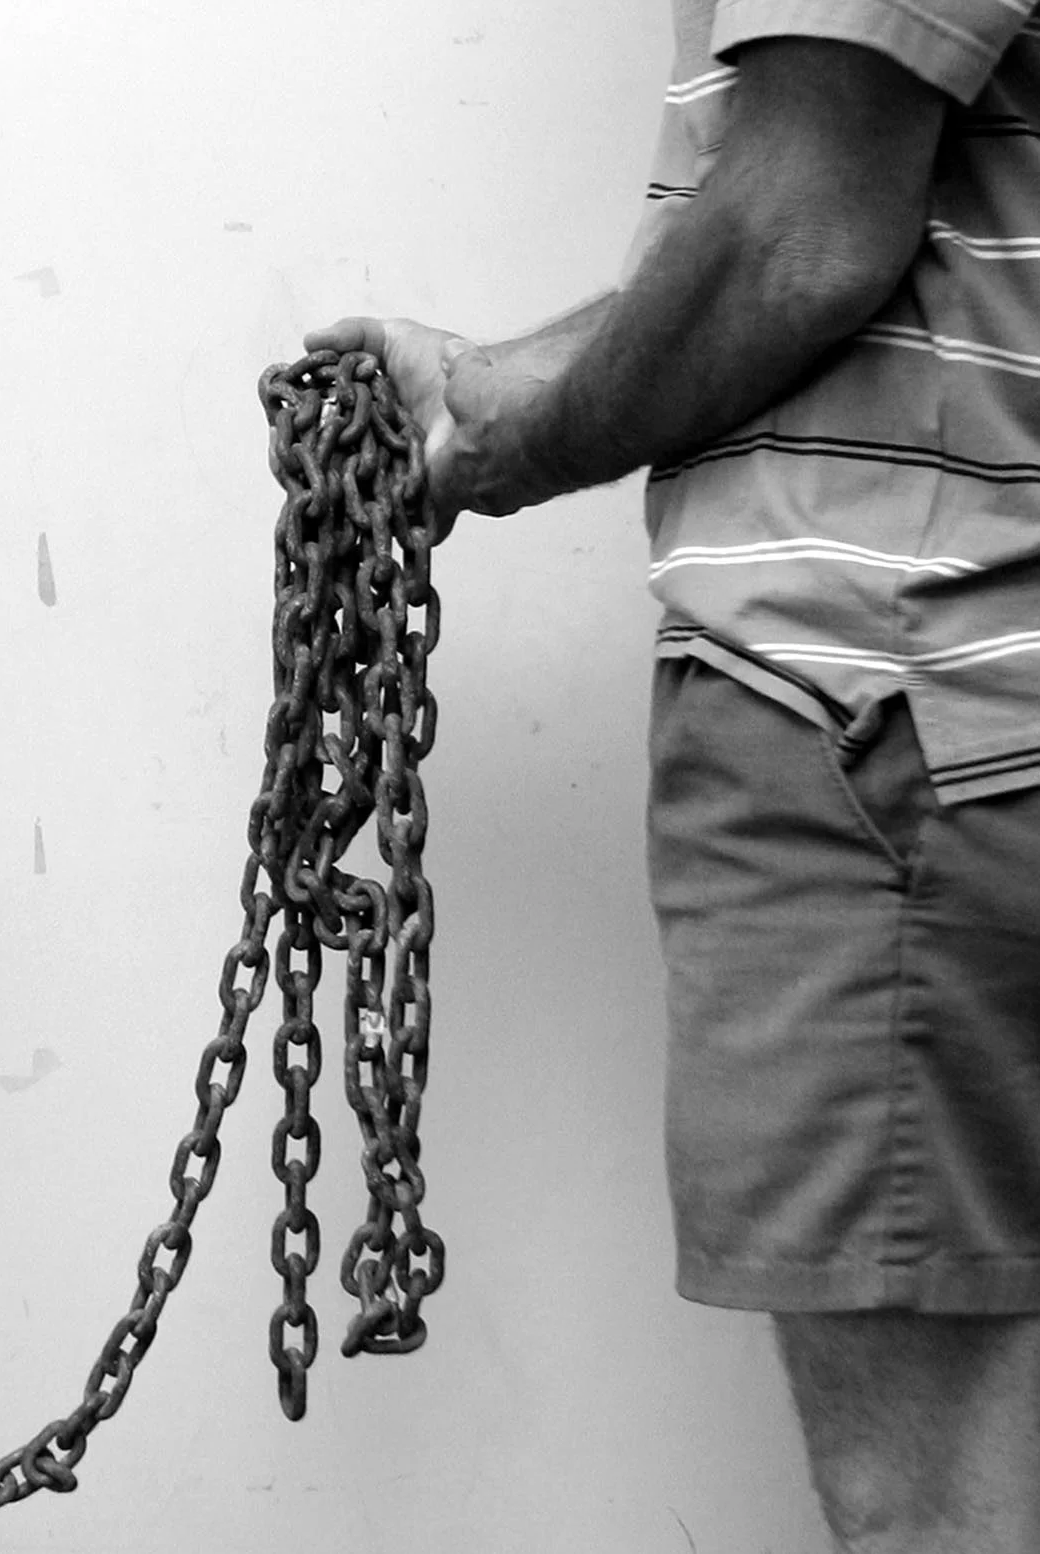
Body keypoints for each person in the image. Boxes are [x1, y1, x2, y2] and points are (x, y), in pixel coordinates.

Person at [312, 3, 1040, 1549]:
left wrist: (509, 446)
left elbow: (800, 230)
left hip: (887, 710)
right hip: (962, 704)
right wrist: (490, 388)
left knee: (930, 1508)